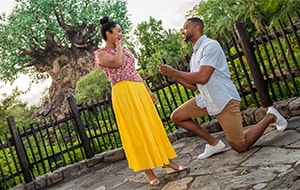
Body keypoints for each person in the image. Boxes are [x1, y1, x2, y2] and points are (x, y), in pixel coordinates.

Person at [158, 17, 287, 159]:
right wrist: (173, 76)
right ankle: (214, 144)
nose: (183, 32)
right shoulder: (195, 55)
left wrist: (174, 72)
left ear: (196, 28)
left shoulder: (210, 46)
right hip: (207, 99)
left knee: (240, 146)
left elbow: (202, 77)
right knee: (177, 116)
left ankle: (271, 116)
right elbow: (195, 87)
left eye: (185, 28)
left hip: (224, 99)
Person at [93, 16, 186, 186]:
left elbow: (134, 72)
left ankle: (166, 161)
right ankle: (148, 171)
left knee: (152, 125)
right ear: (108, 33)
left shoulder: (124, 49)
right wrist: (119, 46)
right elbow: (117, 63)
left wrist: (148, 91)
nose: (121, 34)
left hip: (138, 90)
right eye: (118, 31)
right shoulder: (101, 54)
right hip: (123, 93)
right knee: (135, 130)